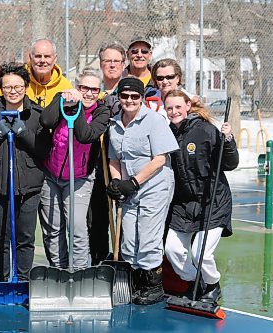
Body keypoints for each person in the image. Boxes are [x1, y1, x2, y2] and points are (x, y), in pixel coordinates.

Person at [0, 62, 52, 281]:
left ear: (26, 86)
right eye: (8, 87)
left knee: (25, 237)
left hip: (29, 185)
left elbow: (44, 149)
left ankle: (23, 280)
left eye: (18, 86)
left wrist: (23, 132)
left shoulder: (36, 114)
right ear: (0, 88)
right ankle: (1, 279)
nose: (13, 91)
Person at [107, 77, 178, 305]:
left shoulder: (155, 121)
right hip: (130, 189)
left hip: (154, 186)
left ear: (141, 98)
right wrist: (117, 182)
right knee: (128, 239)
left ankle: (153, 286)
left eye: (135, 96)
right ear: (119, 97)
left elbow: (160, 159)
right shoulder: (115, 124)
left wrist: (134, 182)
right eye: (125, 95)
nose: (130, 100)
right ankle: (135, 281)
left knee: (148, 237)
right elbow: (114, 159)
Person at [164, 89, 238, 304]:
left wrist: (228, 140)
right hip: (183, 204)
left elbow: (230, 163)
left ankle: (213, 285)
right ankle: (196, 281)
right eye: (170, 108)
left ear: (188, 106)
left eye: (178, 106)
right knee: (172, 249)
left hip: (212, 202)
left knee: (201, 254)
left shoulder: (205, 130)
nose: (174, 111)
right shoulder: (167, 133)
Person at [39, 67, 110, 269]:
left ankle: (79, 271)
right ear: (76, 87)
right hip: (51, 175)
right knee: (53, 228)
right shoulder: (63, 98)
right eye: (84, 88)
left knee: (76, 226)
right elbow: (46, 120)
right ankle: (59, 270)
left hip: (80, 178)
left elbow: (85, 135)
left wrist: (77, 108)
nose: (89, 93)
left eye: (94, 90)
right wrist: (62, 101)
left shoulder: (101, 111)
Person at [87, 43, 126, 265]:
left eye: (116, 61)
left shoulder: (129, 93)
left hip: (123, 165)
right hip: (97, 163)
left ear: (123, 64)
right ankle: (98, 262)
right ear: (101, 64)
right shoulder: (94, 92)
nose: (111, 65)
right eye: (107, 61)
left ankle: (123, 263)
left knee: (123, 218)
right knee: (97, 219)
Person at [25, 38, 73, 107]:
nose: (42, 60)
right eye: (38, 56)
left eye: (47, 56)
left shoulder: (65, 86)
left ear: (55, 59)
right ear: (30, 57)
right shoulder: (19, 81)